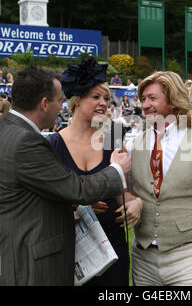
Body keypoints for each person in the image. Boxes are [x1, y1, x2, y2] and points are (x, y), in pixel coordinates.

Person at [0, 66, 131, 286]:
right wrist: (117, 169)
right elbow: (78, 189)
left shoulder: (4, 131)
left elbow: (31, 195)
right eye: (59, 101)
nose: (61, 106)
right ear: (43, 103)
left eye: (106, 98)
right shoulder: (27, 141)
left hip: (6, 258)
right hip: (26, 265)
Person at [127, 71, 192, 286]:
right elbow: (127, 191)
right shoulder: (132, 146)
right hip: (143, 256)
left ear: (174, 101)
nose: (145, 105)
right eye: (143, 99)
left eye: (153, 98)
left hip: (187, 257)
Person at [49, 57, 142, 286]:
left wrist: (137, 203)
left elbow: (124, 192)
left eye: (107, 98)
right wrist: (77, 204)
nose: (103, 103)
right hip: (72, 249)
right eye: (96, 97)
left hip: (113, 248)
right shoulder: (53, 144)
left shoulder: (113, 137)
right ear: (77, 100)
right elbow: (46, 202)